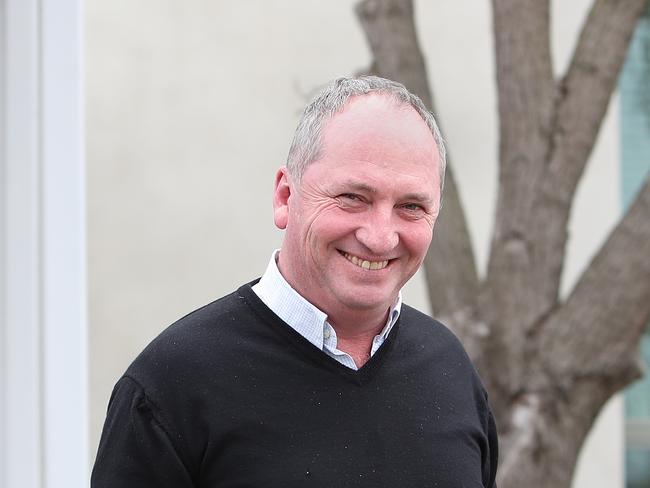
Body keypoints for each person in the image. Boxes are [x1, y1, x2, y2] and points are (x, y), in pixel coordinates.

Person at [91, 76, 498, 487]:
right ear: (286, 196)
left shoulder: (449, 370)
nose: (380, 236)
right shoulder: (171, 388)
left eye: (411, 206)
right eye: (353, 197)